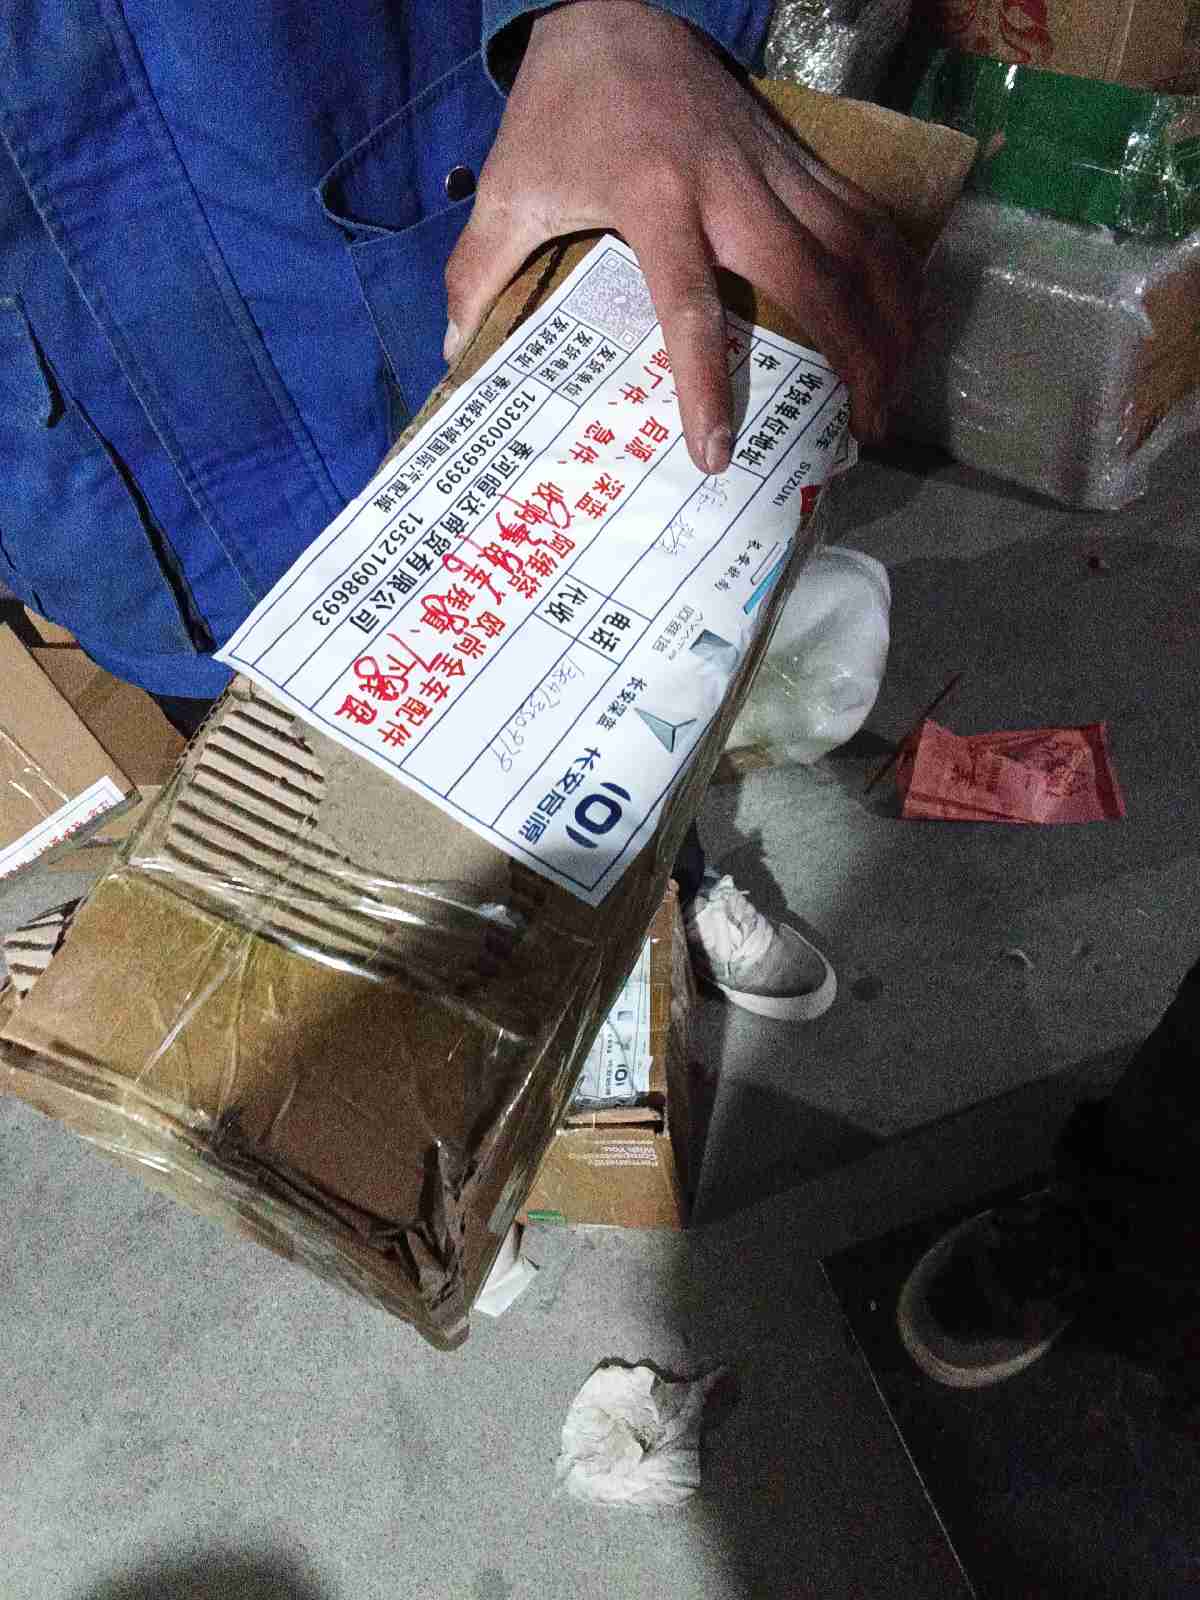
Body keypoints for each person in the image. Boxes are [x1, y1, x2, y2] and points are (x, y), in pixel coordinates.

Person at [1, 0, 914, 1017]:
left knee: (602, 708)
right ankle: (481, 1004)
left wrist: (619, 13)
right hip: (108, 499)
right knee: (310, 819)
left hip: (401, 316)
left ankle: (667, 896)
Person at [898, 955, 1200, 1404]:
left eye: (1003, 1250)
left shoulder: (1114, 1138)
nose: (1034, 1253)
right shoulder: (1169, 1302)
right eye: (1026, 1285)